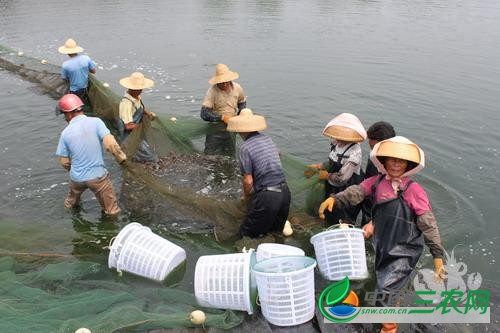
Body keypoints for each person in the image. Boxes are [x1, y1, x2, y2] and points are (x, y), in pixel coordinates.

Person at [318, 136, 445, 333]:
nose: (396, 164)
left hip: (406, 248)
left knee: (386, 289)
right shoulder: (376, 183)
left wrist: (438, 256)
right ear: (383, 161)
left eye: (401, 161)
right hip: (383, 244)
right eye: (391, 159)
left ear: (408, 164)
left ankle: (389, 328)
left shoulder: (414, 190)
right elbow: (356, 192)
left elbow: (428, 225)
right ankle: (393, 306)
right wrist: (335, 199)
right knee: (387, 284)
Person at [55, 94, 127, 216]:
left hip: (76, 179)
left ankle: (70, 214)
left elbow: (64, 161)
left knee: (71, 203)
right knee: (111, 211)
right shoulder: (96, 122)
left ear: (69, 113)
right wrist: (122, 159)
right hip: (97, 177)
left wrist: (74, 170)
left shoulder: (65, 133)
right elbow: (111, 145)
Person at [226, 108, 291, 238]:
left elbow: (248, 180)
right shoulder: (268, 139)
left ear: (239, 129)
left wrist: (247, 197)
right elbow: (278, 155)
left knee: (246, 235)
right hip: (285, 193)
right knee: (275, 233)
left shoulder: (245, 148)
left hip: (268, 197)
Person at [305, 113, 366, 224]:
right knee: (328, 209)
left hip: (346, 186)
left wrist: (326, 175)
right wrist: (320, 166)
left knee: (341, 216)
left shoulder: (354, 153)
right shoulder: (337, 143)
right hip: (332, 183)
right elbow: (332, 161)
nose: (338, 139)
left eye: (343, 136)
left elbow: (342, 178)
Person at [200, 63, 247, 156]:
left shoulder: (237, 88)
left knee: (229, 155)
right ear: (217, 81)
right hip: (215, 130)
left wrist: (240, 116)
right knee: (210, 156)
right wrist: (222, 117)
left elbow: (242, 102)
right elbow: (204, 113)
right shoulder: (212, 91)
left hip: (231, 128)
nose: (225, 84)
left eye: (226, 81)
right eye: (222, 82)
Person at [360, 121, 396, 226]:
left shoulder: (392, 163)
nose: (369, 142)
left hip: (379, 205)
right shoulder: (375, 153)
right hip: (368, 198)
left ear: (382, 142)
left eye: (371, 139)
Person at [118, 71, 157, 162]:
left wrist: (148, 114)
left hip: (136, 131)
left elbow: (140, 108)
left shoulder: (136, 96)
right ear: (132, 89)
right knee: (149, 157)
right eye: (139, 89)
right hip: (130, 135)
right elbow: (128, 126)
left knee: (141, 153)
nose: (141, 91)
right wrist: (141, 127)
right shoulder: (126, 104)